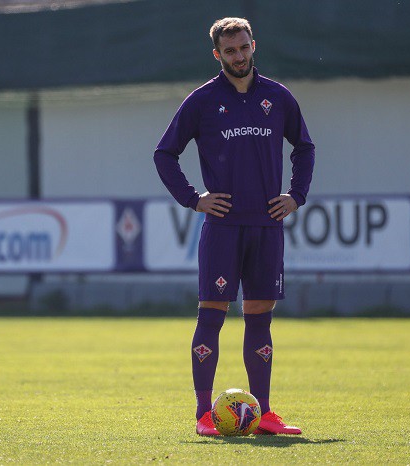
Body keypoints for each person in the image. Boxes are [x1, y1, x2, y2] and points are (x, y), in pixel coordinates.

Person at [154, 17, 315, 436]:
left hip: (266, 225)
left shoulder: (278, 97)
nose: (238, 56)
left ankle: (264, 415)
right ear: (217, 54)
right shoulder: (202, 100)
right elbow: (164, 154)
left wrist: (296, 195)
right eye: (229, 50)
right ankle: (203, 415)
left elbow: (304, 147)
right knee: (212, 316)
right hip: (223, 227)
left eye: (243, 47)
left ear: (253, 45)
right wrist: (194, 198)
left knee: (260, 317)